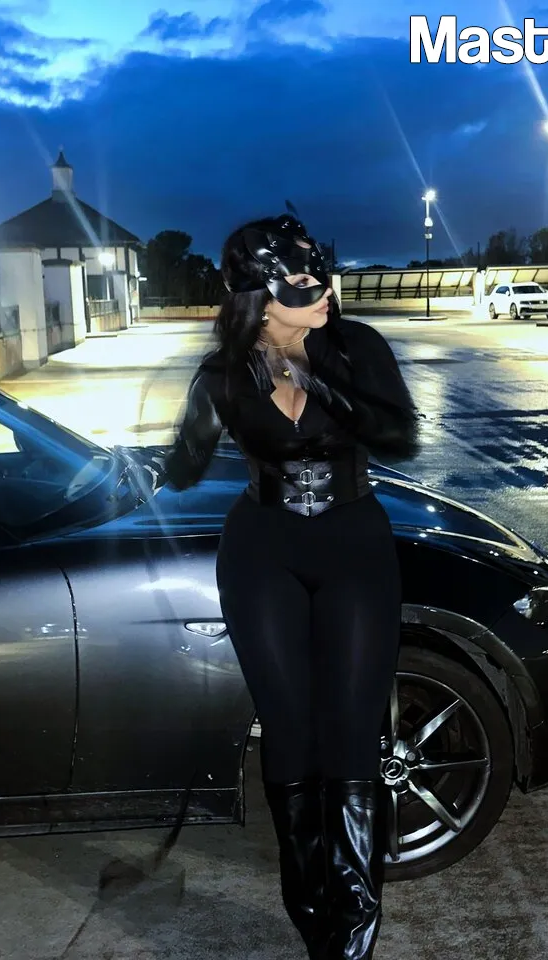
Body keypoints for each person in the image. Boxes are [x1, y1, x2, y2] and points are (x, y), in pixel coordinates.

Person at [163, 214, 420, 959]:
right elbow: (184, 464)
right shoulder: (222, 372)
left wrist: (320, 377)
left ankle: (354, 927)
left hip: (354, 544)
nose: (325, 291)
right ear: (259, 296)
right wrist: (138, 467)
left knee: (353, 730)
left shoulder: (357, 346)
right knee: (290, 728)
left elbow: (399, 436)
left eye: (323, 275)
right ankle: (311, 911)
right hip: (262, 551)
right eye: (304, 282)